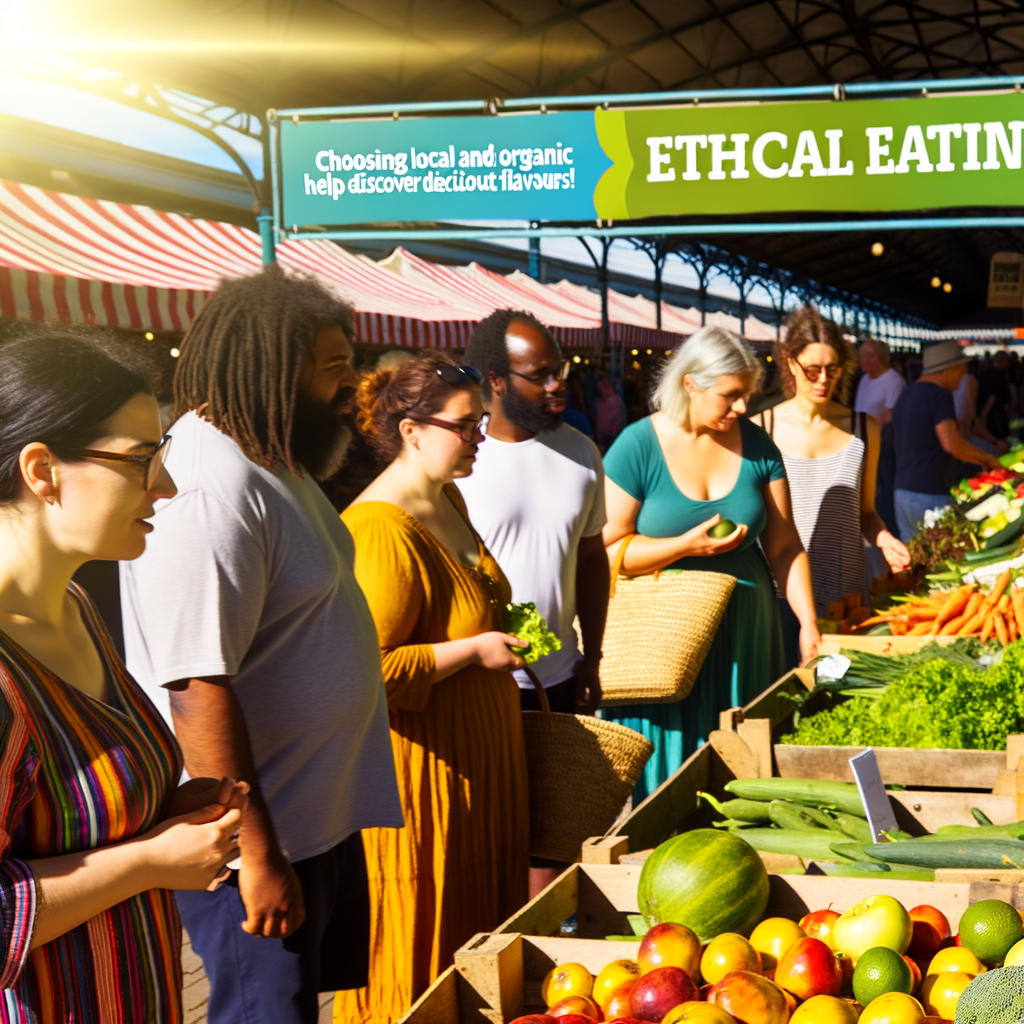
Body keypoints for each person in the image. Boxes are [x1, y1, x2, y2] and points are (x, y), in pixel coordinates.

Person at [119, 266, 403, 1024]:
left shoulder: (272, 456)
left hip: (314, 821)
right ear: (274, 369)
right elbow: (195, 684)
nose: (354, 385)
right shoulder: (208, 486)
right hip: (258, 843)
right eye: (335, 367)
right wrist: (254, 855)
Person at [0, 331, 245, 1021]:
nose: (165, 487)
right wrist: (148, 861)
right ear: (42, 470)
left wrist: (163, 817)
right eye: (141, 459)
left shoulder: (76, 606)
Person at [335, 353, 529, 1024]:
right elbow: (369, 670)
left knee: (476, 944)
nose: (479, 437)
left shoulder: (447, 496)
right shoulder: (380, 529)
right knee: (422, 944)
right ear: (411, 429)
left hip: (478, 769)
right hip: (423, 782)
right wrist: (474, 650)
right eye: (465, 424)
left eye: (481, 421)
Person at [599, 326, 819, 801]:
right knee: (669, 771)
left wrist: (807, 621)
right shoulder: (637, 446)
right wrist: (682, 547)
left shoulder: (759, 447)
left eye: (747, 396)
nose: (742, 408)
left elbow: (784, 547)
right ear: (690, 385)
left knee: (747, 770)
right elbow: (609, 549)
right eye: (731, 396)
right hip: (663, 637)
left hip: (748, 631)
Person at [457, 310, 609, 896]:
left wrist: (592, 655)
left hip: (562, 677)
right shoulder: (463, 460)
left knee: (558, 834)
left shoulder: (580, 451)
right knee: (495, 837)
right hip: (483, 682)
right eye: (539, 375)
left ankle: (553, 940)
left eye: (560, 371)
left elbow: (593, 558)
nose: (557, 385)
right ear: (495, 379)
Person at [754, 308, 910, 623]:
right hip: (779, 595)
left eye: (832, 368)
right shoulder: (761, 428)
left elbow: (865, 513)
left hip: (846, 595)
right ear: (790, 363)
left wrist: (885, 539)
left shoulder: (865, 429)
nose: (823, 380)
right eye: (812, 369)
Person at [892, 339, 1004, 542]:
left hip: (901, 494)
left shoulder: (907, 394)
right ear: (950, 369)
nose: (963, 375)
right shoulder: (939, 394)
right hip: (929, 493)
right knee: (941, 561)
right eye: (962, 368)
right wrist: (988, 460)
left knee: (914, 563)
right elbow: (951, 443)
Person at [854, 337, 904, 535]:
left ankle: (890, 532)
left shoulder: (893, 380)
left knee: (883, 490)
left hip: (884, 446)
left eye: (870, 355)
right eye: (862, 355)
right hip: (864, 442)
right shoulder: (865, 379)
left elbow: (891, 415)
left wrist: (868, 429)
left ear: (882, 357)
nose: (864, 360)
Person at [595, 376, 628, 452]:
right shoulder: (599, 401)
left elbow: (619, 420)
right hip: (601, 440)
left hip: (612, 439)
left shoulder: (615, 400)